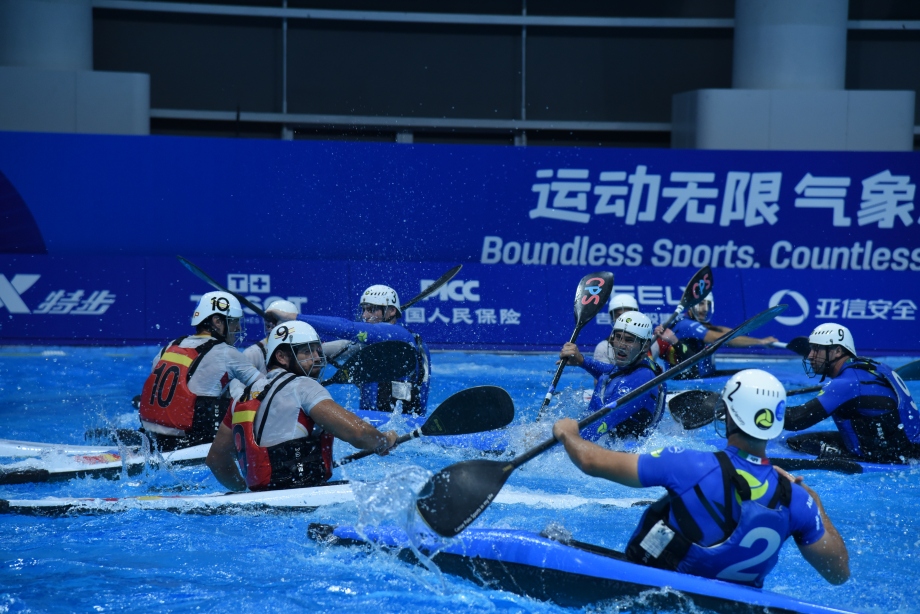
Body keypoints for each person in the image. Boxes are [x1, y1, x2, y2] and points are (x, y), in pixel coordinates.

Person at [553, 369, 850, 588]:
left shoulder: (688, 464)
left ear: (729, 415)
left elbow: (590, 461)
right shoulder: (797, 499)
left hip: (660, 596)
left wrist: (568, 433)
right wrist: (815, 500)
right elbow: (839, 574)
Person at [205, 320, 399, 491]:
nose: (316, 358)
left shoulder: (243, 397)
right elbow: (359, 433)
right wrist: (383, 440)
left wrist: (242, 490)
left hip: (259, 497)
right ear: (281, 357)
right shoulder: (303, 386)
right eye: (307, 352)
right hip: (301, 496)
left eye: (317, 350)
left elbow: (216, 459)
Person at [139, 291, 262, 451]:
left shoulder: (170, 347)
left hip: (153, 438)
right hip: (196, 441)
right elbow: (267, 389)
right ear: (217, 321)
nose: (237, 328)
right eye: (233, 322)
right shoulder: (226, 353)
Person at [784, 322, 920, 463]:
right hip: (910, 447)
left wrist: (763, 406)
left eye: (817, 349)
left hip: (899, 458)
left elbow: (796, 420)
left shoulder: (846, 383)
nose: (810, 356)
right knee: (805, 440)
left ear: (838, 351)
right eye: (811, 349)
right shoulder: (873, 367)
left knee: (799, 443)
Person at [298, 284, 430, 415]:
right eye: (364, 310)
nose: (364, 316)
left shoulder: (401, 336)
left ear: (391, 311)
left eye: (371, 310)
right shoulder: (371, 345)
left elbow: (347, 328)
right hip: (370, 421)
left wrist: (295, 318)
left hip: (402, 425)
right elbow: (327, 351)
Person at [560, 312, 666, 441]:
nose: (621, 345)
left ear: (645, 346)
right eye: (618, 337)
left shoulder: (641, 381)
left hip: (619, 454)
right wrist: (581, 360)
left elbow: (601, 425)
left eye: (629, 340)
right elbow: (613, 372)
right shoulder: (640, 365)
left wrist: (563, 443)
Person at [657, 293, 779, 379]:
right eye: (701, 304)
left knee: (752, 371)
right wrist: (760, 342)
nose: (705, 309)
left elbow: (726, 331)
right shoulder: (687, 325)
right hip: (687, 381)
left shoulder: (702, 324)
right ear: (691, 305)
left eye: (708, 304)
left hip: (705, 376)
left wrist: (758, 340)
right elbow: (720, 338)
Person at [594, 293, 675, 367]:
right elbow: (600, 381)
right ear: (612, 318)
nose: (625, 320)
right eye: (619, 316)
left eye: (629, 315)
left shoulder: (654, 344)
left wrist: (674, 341)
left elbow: (682, 370)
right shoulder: (603, 348)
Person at [242, 299, 300, 374]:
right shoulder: (253, 354)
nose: (270, 324)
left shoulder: (304, 351)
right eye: (268, 318)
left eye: (274, 319)